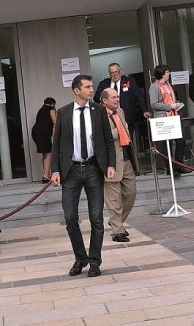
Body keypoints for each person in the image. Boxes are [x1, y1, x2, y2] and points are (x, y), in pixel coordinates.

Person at [50, 74, 116, 278]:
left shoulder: (98, 111)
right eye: (87, 87)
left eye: (92, 86)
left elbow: (107, 140)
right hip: (71, 172)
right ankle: (80, 258)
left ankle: (95, 261)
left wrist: (110, 164)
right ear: (76, 90)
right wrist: (55, 170)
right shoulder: (63, 113)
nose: (91, 90)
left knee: (96, 218)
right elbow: (57, 144)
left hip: (94, 169)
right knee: (70, 217)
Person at [100, 87, 137, 242]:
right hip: (111, 163)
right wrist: (118, 130)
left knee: (130, 194)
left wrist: (123, 129)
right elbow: (101, 138)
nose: (117, 100)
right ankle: (117, 232)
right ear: (104, 100)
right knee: (114, 199)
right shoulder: (98, 115)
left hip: (127, 159)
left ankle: (116, 221)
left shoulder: (120, 111)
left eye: (117, 97)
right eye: (113, 97)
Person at [149, 64, 187, 175]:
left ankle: (179, 164)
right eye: (167, 72)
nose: (169, 74)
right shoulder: (154, 86)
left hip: (174, 115)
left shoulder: (168, 84)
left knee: (181, 140)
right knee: (167, 144)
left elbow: (170, 99)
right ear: (161, 74)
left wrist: (176, 104)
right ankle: (170, 168)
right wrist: (170, 106)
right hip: (164, 117)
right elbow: (154, 104)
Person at [31, 97, 58, 183]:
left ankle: (47, 174)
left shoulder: (41, 110)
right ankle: (46, 176)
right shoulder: (51, 109)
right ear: (53, 104)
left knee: (45, 154)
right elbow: (55, 123)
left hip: (35, 132)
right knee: (49, 154)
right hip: (44, 133)